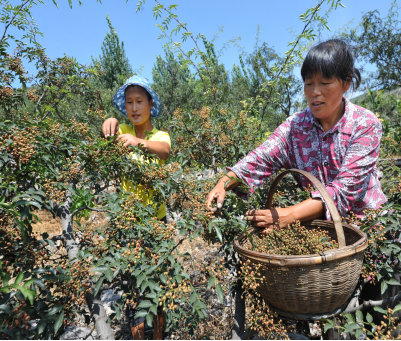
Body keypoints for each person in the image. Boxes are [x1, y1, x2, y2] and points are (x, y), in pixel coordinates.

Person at [207, 39, 387, 229]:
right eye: (309, 83)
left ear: (346, 83)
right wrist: (223, 183)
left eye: (325, 82)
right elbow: (262, 157)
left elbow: (345, 190)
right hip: (322, 234)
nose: (315, 92)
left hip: (371, 230)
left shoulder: (364, 124)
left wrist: (288, 215)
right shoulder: (296, 126)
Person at [102, 75, 170, 340]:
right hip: (128, 224)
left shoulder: (160, 135)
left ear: (151, 104)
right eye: (129, 102)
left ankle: (158, 333)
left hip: (156, 225)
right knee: (131, 285)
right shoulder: (123, 133)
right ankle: (137, 333)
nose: (134, 107)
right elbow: (108, 130)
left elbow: (163, 150)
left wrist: (138, 143)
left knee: (158, 285)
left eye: (139, 101)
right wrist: (111, 121)